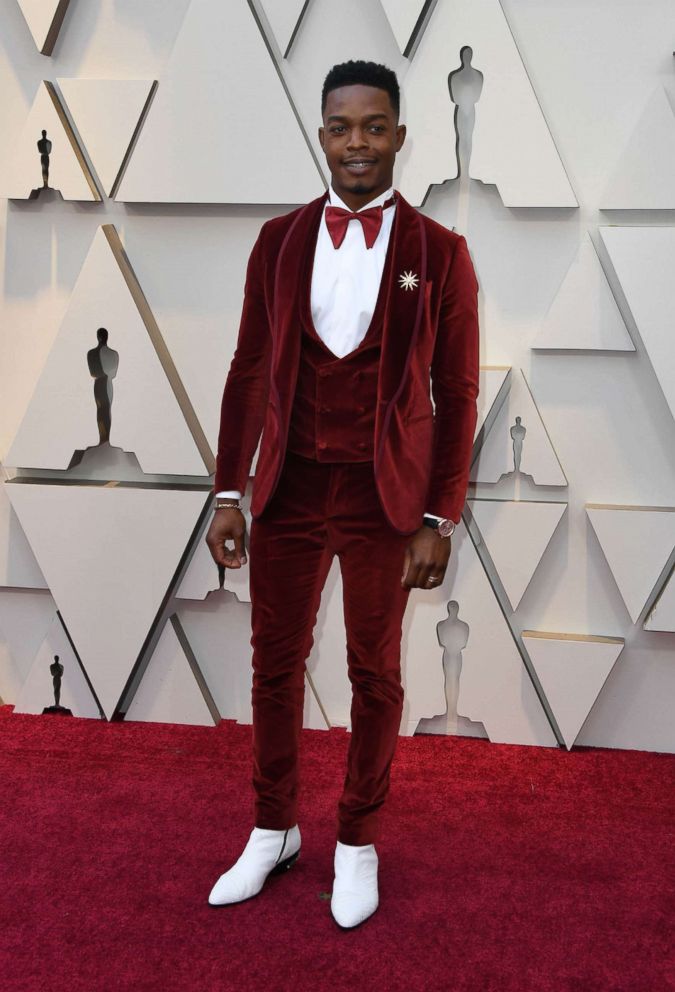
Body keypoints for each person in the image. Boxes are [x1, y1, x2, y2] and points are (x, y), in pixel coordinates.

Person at [205, 60, 479, 929]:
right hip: (285, 490)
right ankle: (272, 827)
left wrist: (441, 516)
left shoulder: (438, 253)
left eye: (371, 127)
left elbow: (457, 389)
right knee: (271, 670)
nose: (354, 143)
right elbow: (249, 368)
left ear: (399, 135)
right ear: (320, 134)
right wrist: (226, 491)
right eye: (338, 127)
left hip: (382, 497)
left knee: (374, 674)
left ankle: (356, 842)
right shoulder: (278, 240)